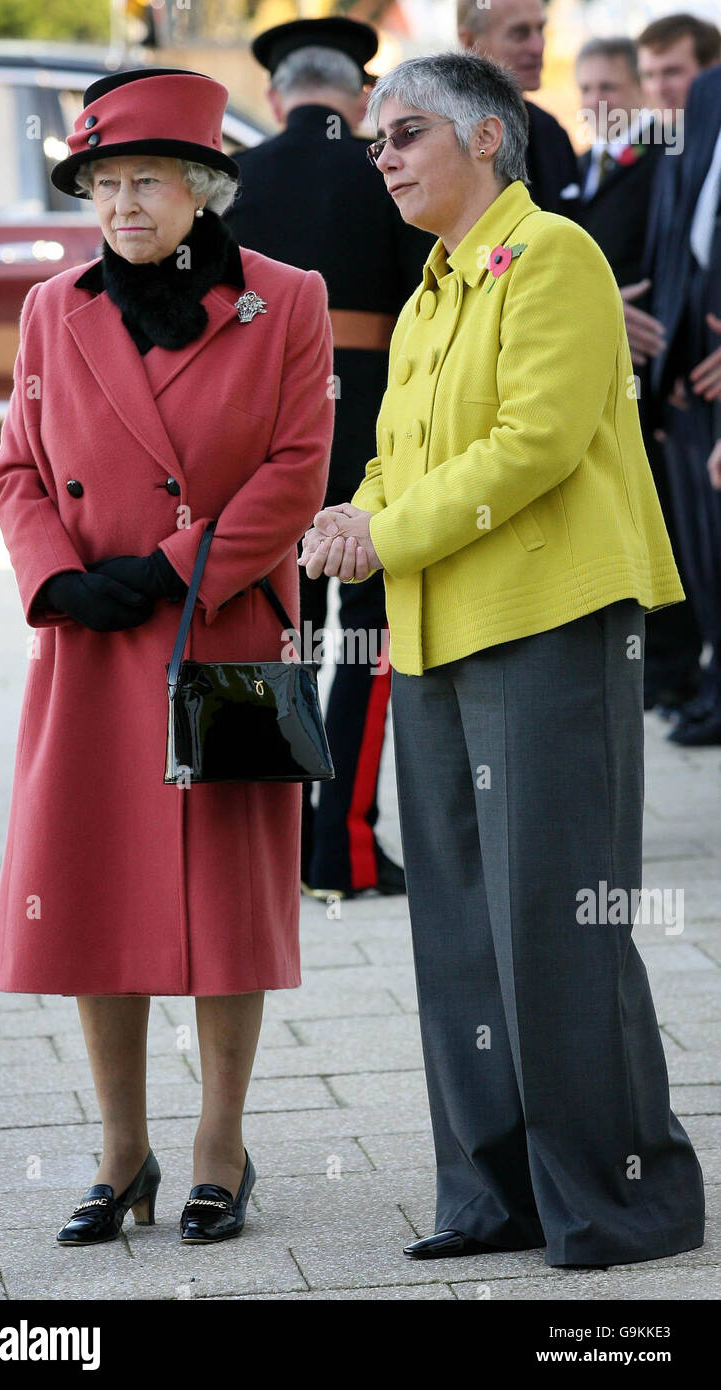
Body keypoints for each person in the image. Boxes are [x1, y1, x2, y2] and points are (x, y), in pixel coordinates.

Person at [300, 50, 705, 1268]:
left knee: (557, 922)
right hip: (435, 625)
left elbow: (531, 441)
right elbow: (394, 452)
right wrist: (350, 516)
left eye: (404, 133)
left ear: (487, 138)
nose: (383, 158)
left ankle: (620, 1198)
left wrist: (388, 529)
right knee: (463, 930)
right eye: (374, 140)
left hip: (547, 622)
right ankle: (493, 1194)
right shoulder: (430, 287)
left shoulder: (554, 256)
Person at [0, 67, 334, 1246]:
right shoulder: (51, 307)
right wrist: (60, 579)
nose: (120, 206)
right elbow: (15, 470)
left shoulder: (285, 299)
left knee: (229, 906)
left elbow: (297, 471)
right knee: (91, 893)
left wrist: (173, 567)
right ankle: (119, 1152)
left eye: (143, 181)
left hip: (222, 638)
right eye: (101, 184)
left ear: (202, 188)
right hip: (91, 646)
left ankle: (218, 1148)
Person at [227, 16, 433, 900]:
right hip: (374, 427)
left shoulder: (231, 180)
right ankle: (339, 848)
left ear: (277, 98)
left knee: (273, 635)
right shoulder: (383, 167)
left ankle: (258, 855)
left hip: (258, 432)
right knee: (369, 639)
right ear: (358, 99)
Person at [576, 36, 705, 713]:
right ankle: (658, 667)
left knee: (673, 524)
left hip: (664, 367)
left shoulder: (668, 160)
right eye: (587, 89)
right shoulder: (576, 168)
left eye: (611, 88)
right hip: (598, 368)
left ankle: (677, 667)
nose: (598, 102)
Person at [644, 63, 721, 746]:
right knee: (703, 546)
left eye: (672, 70)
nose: (662, 87)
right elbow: (680, 247)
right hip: (692, 368)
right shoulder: (703, 104)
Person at [457, 0, 580, 215]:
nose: (538, 46)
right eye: (519, 33)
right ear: (469, 42)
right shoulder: (443, 137)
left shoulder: (551, 131)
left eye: (540, 29)